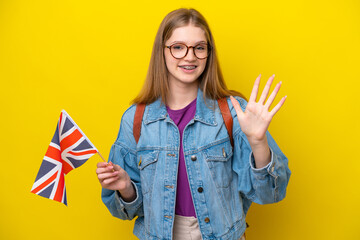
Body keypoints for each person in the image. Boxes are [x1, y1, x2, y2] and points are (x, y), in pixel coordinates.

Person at [96, 8, 291, 240]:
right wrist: (126, 188)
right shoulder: (136, 119)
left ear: (208, 53)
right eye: (178, 47)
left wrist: (258, 142)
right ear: (162, 52)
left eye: (199, 47)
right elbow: (125, 212)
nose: (190, 57)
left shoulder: (232, 111)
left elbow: (271, 194)